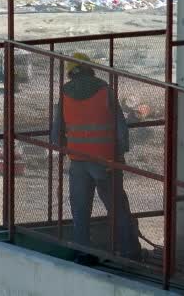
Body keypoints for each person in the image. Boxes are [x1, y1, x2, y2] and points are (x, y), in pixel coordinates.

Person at [51, 52, 141, 261]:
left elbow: (56, 133)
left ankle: (84, 252)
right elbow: (121, 129)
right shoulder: (104, 90)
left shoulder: (64, 93)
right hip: (105, 162)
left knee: (80, 211)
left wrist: (68, 147)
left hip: (78, 162)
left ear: (71, 73)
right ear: (89, 68)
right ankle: (129, 251)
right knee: (117, 207)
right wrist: (119, 154)